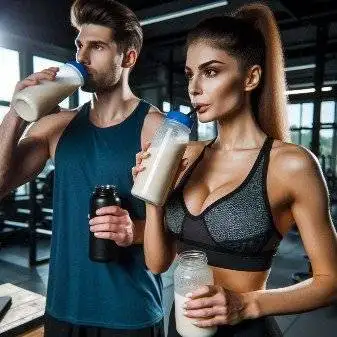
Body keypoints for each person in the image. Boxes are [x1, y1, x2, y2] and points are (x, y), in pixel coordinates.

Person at [133, 3, 337, 336]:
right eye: (190, 74)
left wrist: (247, 303)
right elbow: (157, 263)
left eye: (210, 71)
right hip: (181, 329)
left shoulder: (290, 164)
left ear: (251, 77)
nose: (194, 87)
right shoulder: (186, 155)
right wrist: (152, 194)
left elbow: (331, 282)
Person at [0, 0, 165, 336]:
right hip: (63, 310)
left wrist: (134, 230)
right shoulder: (55, 127)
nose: (82, 57)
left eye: (97, 46)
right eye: (79, 44)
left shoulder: (156, 129)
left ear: (128, 57)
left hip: (130, 313)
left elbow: (185, 228)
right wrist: (16, 112)